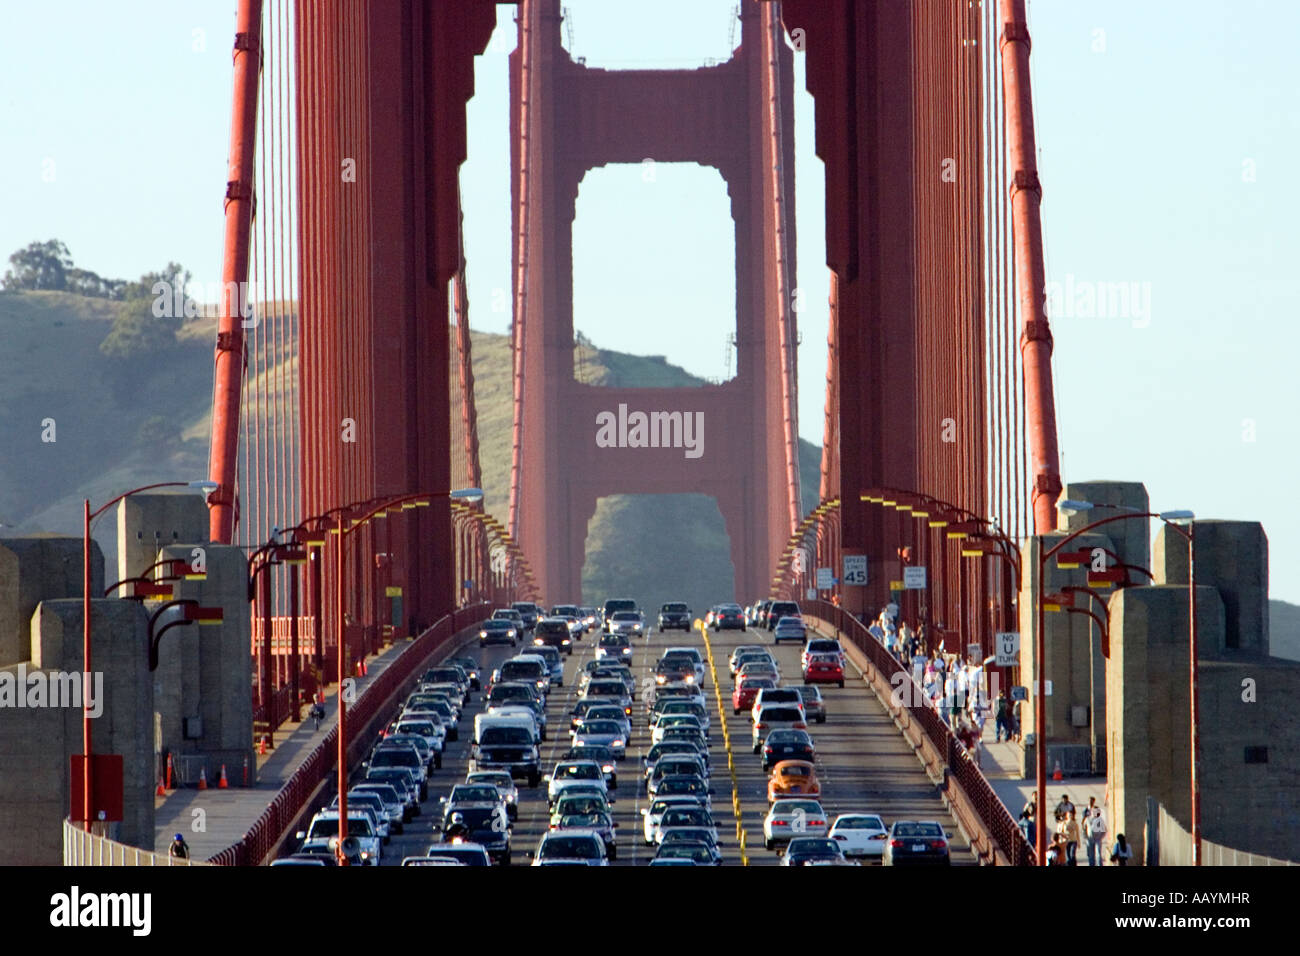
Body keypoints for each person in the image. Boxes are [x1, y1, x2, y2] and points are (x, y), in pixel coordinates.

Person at [1083, 800, 1108, 866]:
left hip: (1097, 839)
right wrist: (1086, 837)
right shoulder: (1087, 819)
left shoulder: (1100, 820)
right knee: (1091, 855)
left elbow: (1104, 831)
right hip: (1089, 839)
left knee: (1098, 854)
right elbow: (1084, 829)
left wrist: (1100, 837)